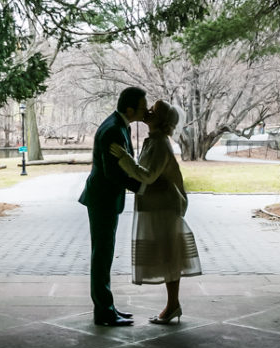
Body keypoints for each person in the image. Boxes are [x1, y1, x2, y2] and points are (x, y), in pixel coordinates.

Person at [109, 99, 201, 324]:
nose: (149, 111)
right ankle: (173, 305)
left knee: (170, 255)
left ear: (161, 120)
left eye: (154, 110)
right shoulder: (154, 141)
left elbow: (147, 176)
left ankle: (172, 306)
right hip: (156, 205)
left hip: (164, 207)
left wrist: (124, 158)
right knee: (167, 254)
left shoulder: (160, 145)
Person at [78, 86, 148, 326]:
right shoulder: (113, 130)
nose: (146, 110)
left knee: (103, 253)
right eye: (142, 107)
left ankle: (107, 307)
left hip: (104, 198)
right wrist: (141, 188)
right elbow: (112, 174)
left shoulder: (119, 126)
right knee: (102, 255)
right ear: (130, 109)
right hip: (102, 199)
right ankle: (104, 312)